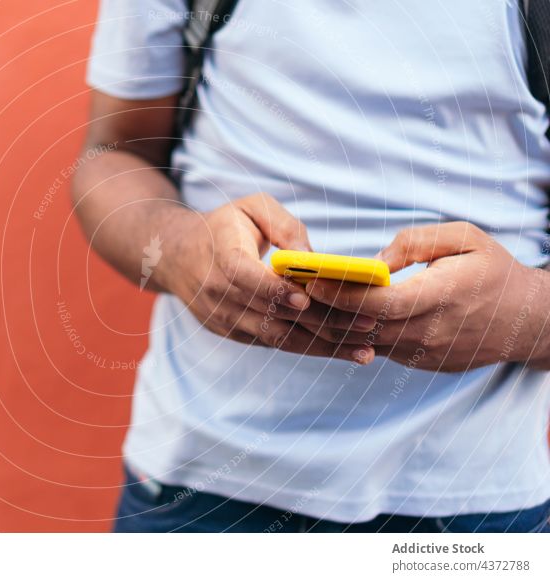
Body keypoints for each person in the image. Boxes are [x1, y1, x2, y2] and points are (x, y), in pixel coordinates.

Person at [71, 0, 550, 532]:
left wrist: (528, 318)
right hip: (198, 486)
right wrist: (183, 251)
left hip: (475, 505)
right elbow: (113, 155)